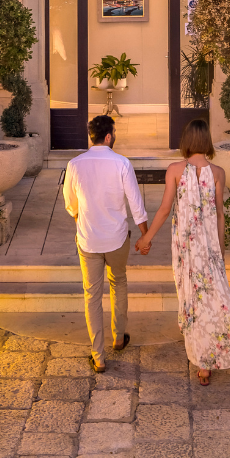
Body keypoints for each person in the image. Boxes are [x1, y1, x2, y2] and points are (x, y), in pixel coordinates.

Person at [136, 119, 230, 385]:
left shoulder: (174, 169)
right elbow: (220, 214)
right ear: (206, 141)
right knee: (214, 296)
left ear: (186, 142)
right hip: (208, 247)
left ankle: (203, 357)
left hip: (185, 248)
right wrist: (220, 249)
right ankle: (211, 353)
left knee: (192, 299)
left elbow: (164, 210)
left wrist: (146, 238)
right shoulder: (217, 172)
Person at [61, 114, 146, 374]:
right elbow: (136, 202)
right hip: (117, 238)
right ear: (108, 137)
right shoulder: (122, 163)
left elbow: (70, 203)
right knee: (118, 281)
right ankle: (119, 338)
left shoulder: (75, 164)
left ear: (91, 137)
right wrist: (145, 234)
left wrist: (81, 218)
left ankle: (98, 357)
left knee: (92, 296)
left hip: (88, 240)